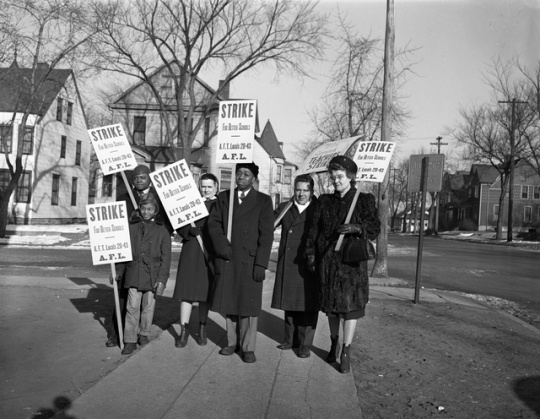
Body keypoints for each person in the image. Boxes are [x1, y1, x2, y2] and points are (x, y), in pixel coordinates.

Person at [305, 155, 380, 373]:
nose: (335, 180)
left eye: (339, 176)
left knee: (350, 309)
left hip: (351, 265)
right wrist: (310, 253)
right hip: (328, 262)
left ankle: (346, 350)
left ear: (350, 177)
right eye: (333, 176)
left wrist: (357, 228)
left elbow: (375, 228)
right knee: (331, 309)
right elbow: (313, 230)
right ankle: (334, 342)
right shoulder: (325, 202)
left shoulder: (364, 200)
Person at [207, 162, 274, 363]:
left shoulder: (263, 201)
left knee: (248, 305)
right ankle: (231, 342)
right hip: (228, 257)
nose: (241, 177)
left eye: (246, 174)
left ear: (254, 178)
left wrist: (261, 264)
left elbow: (267, 235)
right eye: (239, 173)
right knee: (230, 301)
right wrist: (221, 246)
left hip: (250, 260)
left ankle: (247, 347)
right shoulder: (224, 197)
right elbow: (213, 224)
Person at [105, 164, 172, 348]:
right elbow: (116, 228)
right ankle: (119, 335)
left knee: (147, 305)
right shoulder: (124, 197)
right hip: (131, 256)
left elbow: (168, 224)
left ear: (149, 178)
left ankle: (143, 333)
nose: (139, 181)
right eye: (136, 178)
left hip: (151, 259)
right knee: (127, 302)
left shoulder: (160, 198)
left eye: (143, 177)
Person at [271, 174, 319, 358]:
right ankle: (289, 339)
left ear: (312, 191)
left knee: (308, 304)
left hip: (309, 262)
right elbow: (269, 225)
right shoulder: (285, 207)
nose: (301, 194)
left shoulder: (318, 209)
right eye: (298, 189)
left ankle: (305, 344)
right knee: (289, 303)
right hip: (289, 260)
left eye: (305, 190)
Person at [173, 173, 219, 348]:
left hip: (208, 249)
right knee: (186, 291)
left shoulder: (219, 204)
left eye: (209, 186)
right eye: (203, 186)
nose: (206, 189)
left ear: (216, 187)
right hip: (191, 249)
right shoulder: (190, 202)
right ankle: (183, 331)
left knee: (204, 293)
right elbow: (179, 222)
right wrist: (187, 230)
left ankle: (202, 328)